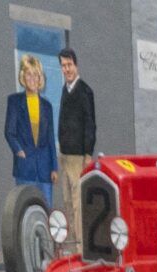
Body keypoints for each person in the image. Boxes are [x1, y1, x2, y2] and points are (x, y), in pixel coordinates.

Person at [4, 54, 56, 205]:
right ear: (23, 77)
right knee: (25, 208)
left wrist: (54, 167)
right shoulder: (14, 101)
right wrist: (19, 151)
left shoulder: (47, 106)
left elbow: (50, 139)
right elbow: (9, 132)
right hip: (25, 168)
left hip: (45, 170)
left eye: (35, 75)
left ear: (40, 78)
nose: (32, 78)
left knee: (45, 209)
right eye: (29, 74)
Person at [54, 48, 94, 242]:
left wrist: (88, 155)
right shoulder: (65, 90)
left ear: (76, 65)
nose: (66, 69)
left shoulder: (85, 91)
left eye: (69, 65)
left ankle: (81, 247)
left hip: (78, 159)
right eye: (63, 66)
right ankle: (72, 245)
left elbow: (90, 124)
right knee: (68, 203)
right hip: (65, 157)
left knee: (79, 206)